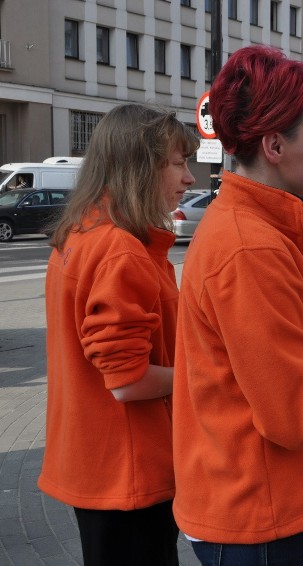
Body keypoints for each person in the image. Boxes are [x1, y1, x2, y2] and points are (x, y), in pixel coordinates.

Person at [171, 44, 303, 565]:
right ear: (274, 145)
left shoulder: (254, 225)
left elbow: (249, 352)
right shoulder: (250, 246)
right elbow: (295, 417)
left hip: (252, 507)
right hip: (255, 518)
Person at [38, 103, 198, 565]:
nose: (188, 178)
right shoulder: (119, 249)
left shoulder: (80, 232)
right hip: (128, 471)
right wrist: (205, 373)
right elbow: (128, 382)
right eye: (178, 162)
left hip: (96, 462)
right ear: (140, 165)